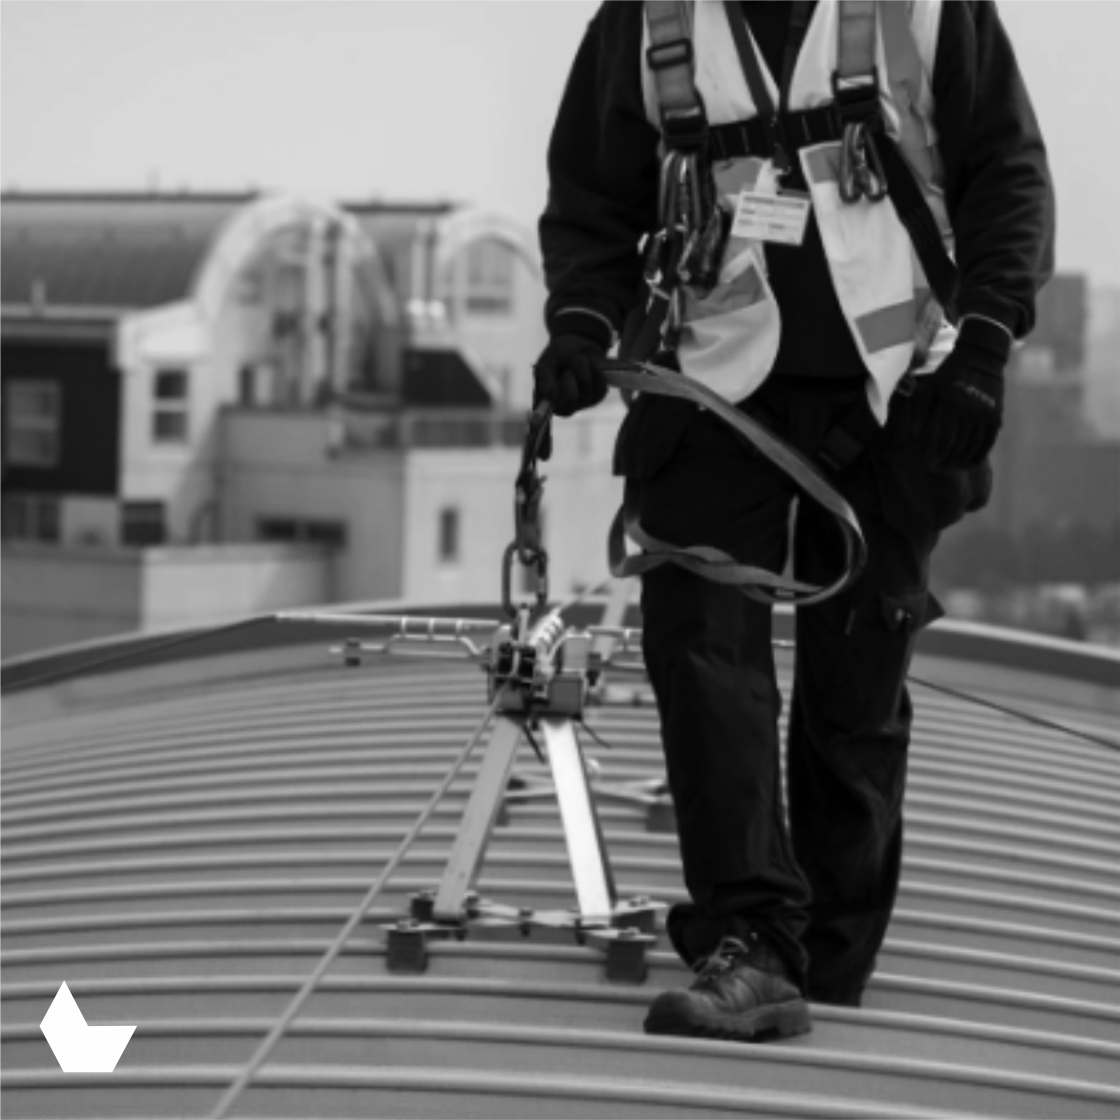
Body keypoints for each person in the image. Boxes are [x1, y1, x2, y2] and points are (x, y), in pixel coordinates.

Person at [533, 0, 1054, 1042]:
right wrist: (584, 323)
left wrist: (987, 341)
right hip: (718, 387)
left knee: (855, 680)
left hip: (895, 389)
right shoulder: (649, 19)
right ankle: (752, 941)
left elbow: (1006, 174)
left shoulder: (926, 10)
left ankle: (829, 955)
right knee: (702, 648)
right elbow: (594, 196)